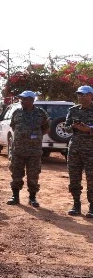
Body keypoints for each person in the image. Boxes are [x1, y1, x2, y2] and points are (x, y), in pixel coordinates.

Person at [6, 90, 49, 207]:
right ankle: (15, 196)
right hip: (18, 150)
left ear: (31, 100)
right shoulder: (17, 112)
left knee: (33, 175)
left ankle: (32, 198)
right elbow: (14, 127)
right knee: (16, 173)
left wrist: (34, 138)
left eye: (25, 99)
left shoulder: (41, 113)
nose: (22, 101)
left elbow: (46, 128)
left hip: (34, 151)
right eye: (22, 99)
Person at [64, 85, 93, 217]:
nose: (80, 97)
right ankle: (76, 205)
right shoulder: (73, 110)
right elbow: (66, 128)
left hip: (91, 149)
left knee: (91, 179)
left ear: (90, 95)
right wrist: (73, 127)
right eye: (79, 94)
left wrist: (89, 129)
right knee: (74, 178)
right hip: (75, 148)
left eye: (83, 94)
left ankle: (92, 207)